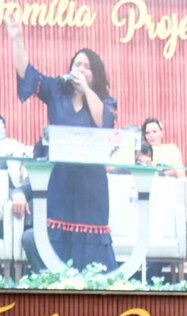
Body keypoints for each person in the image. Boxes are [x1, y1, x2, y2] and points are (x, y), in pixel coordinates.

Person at [5, 13, 119, 271]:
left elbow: (105, 122)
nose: (80, 69)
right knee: (53, 241)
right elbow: (28, 75)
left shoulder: (104, 100)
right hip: (60, 180)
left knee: (93, 246)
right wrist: (17, 39)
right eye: (76, 64)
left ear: (95, 73)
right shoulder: (57, 91)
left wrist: (86, 90)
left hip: (92, 186)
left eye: (86, 66)